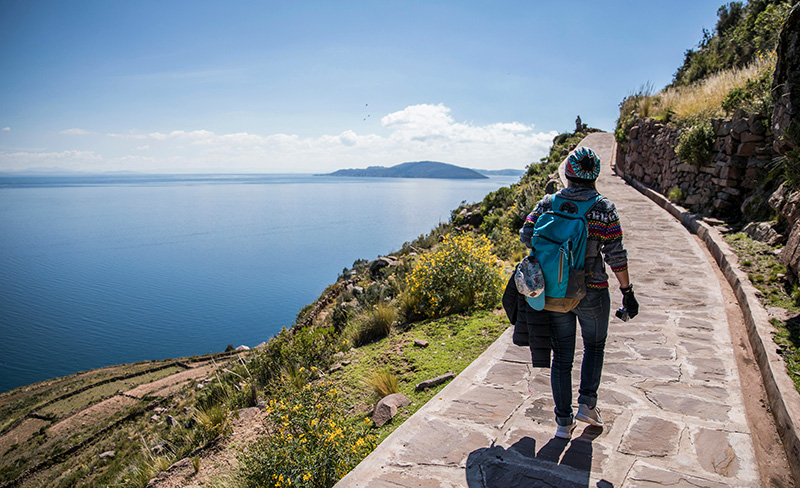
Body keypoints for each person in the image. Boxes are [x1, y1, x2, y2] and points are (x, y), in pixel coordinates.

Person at [519, 147, 639, 439]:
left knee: (562, 357)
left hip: (555, 292)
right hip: (592, 291)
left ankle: (563, 422)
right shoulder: (604, 208)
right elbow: (616, 254)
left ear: (568, 173)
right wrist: (627, 290)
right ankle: (587, 404)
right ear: (594, 175)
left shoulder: (548, 203)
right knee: (594, 346)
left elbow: (526, 235)